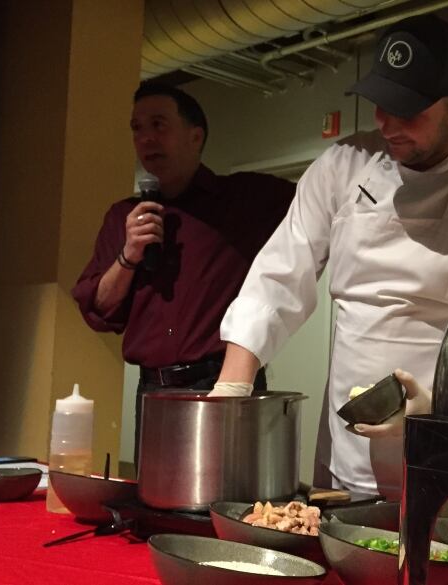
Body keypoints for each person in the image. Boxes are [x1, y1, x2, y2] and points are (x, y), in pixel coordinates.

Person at [209, 14, 448, 505]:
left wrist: (440, 406)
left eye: (409, 110)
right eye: (380, 104)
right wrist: (233, 385)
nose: (387, 124)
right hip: (345, 463)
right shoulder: (342, 166)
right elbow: (278, 276)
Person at [72, 82, 296, 462]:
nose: (146, 139)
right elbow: (100, 308)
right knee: (156, 505)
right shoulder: (123, 216)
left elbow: (325, 204)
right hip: (154, 390)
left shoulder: (245, 200)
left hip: (224, 383)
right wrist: (128, 255)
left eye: (158, 125)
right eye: (137, 128)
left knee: (227, 504)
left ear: (196, 136)